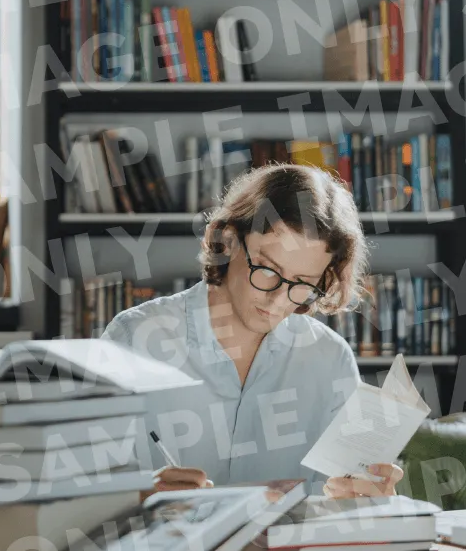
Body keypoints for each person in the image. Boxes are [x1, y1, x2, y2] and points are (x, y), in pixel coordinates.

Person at [102, 163, 403, 498]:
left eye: (303, 284)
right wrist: (138, 494)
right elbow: (77, 492)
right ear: (226, 240)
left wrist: (370, 496)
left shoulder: (330, 359)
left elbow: (345, 500)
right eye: (268, 269)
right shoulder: (134, 338)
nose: (278, 299)